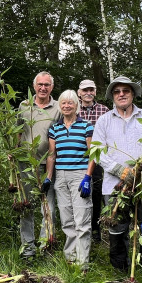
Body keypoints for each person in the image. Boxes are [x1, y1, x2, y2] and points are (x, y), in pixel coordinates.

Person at [91, 76, 142, 283]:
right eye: (117, 91)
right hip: (115, 185)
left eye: (126, 91)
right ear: (112, 96)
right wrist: (119, 170)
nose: (121, 94)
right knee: (117, 226)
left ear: (133, 94)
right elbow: (97, 150)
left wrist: (141, 170)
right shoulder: (104, 121)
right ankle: (118, 266)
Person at [43, 90, 95, 270]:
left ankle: (83, 264)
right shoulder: (55, 128)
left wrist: (88, 177)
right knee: (67, 220)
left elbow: (93, 154)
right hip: (61, 176)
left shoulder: (86, 126)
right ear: (60, 106)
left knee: (81, 219)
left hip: (79, 175)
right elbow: (52, 154)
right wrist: (48, 177)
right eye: (63, 103)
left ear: (76, 105)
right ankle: (70, 260)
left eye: (70, 103)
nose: (66, 106)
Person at [16, 71, 61, 260]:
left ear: (52, 87)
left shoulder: (58, 107)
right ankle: (28, 248)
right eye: (40, 84)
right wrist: (14, 151)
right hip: (26, 164)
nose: (43, 88)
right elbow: (18, 131)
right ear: (34, 86)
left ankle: (45, 247)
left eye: (47, 85)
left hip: (47, 164)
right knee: (27, 206)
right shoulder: (24, 105)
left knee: (48, 207)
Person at [77, 79, 109, 243]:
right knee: (79, 193)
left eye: (91, 89)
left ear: (95, 92)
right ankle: (80, 226)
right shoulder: (73, 109)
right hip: (77, 158)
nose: (88, 92)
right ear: (79, 93)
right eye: (85, 90)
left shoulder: (104, 110)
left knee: (96, 193)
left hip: (98, 159)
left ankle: (96, 228)